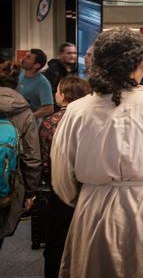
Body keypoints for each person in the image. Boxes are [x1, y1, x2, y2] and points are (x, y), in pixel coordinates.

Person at [50, 28, 143, 277]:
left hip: (95, 209)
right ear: (140, 64)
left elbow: (62, 176)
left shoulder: (77, 111)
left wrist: (90, 195)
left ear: (98, 64)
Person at [39, 76, 91, 277]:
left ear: (63, 95)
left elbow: (43, 160)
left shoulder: (51, 122)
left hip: (59, 188)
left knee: (56, 242)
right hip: (91, 188)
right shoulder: (92, 118)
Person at [0, 62, 41, 251]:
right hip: (8, 186)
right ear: (17, 84)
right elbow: (31, 157)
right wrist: (31, 192)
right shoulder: (24, 111)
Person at [17, 48, 54, 122]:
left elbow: (49, 108)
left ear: (36, 65)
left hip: (30, 126)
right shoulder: (19, 73)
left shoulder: (43, 83)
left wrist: (29, 118)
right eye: (25, 55)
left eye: (28, 57)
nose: (23, 58)